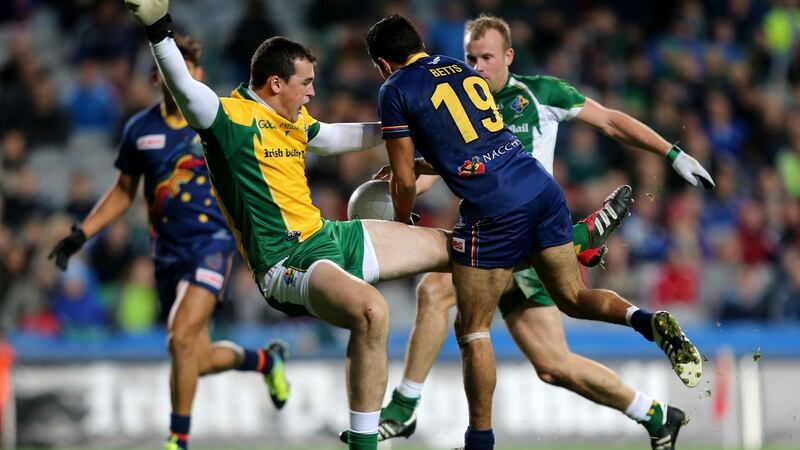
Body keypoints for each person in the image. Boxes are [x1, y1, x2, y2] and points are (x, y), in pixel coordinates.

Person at [362, 15, 712, 450]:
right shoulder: (457, 83)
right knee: (555, 362)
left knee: (444, 298)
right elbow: (454, 159)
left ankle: (412, 410)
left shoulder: (539, 93)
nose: (477, 65)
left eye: (486, 57)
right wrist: (417, 172)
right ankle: (656, 411)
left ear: (509, 56)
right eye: (471, 56)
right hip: (535, 210)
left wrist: (670, 150)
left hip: (500, 222)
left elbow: (609, 121)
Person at [123, 2, 455, 449]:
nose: (312, 93)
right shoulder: (226, 119)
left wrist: (395, 127)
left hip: (327, 237)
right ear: (276, 83)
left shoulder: (294, 121)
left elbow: (337, 137)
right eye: (306, 83)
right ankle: (365, 443)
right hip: (285, 264)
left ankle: (567, 244)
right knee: (373, 311)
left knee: (461, 246)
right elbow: (182, 86)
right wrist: (157, 27)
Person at [48, 34, 290, 450]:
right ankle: (267, 360)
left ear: (197, 76)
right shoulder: (140, 130)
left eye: (189, 71)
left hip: (213, 242)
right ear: (158, 77)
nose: (180, 78)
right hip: (167, 255)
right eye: (170, 71)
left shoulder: (217, 120)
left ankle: (177, 440)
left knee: (179, 337)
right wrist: (83, 232)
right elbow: (125, 191)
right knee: (193, 357)